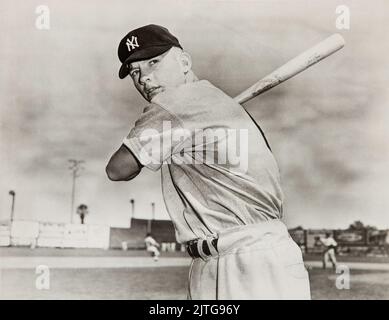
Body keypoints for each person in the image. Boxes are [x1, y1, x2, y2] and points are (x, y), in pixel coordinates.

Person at [106, 24, 311, 299]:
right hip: (246, 256)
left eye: (153, 62)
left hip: (244, 260)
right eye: (135, 72)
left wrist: (166, 139)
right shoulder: (215, 102)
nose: (144, 78)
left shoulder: (177, 104)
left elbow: (118, 169)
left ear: (184, 61)